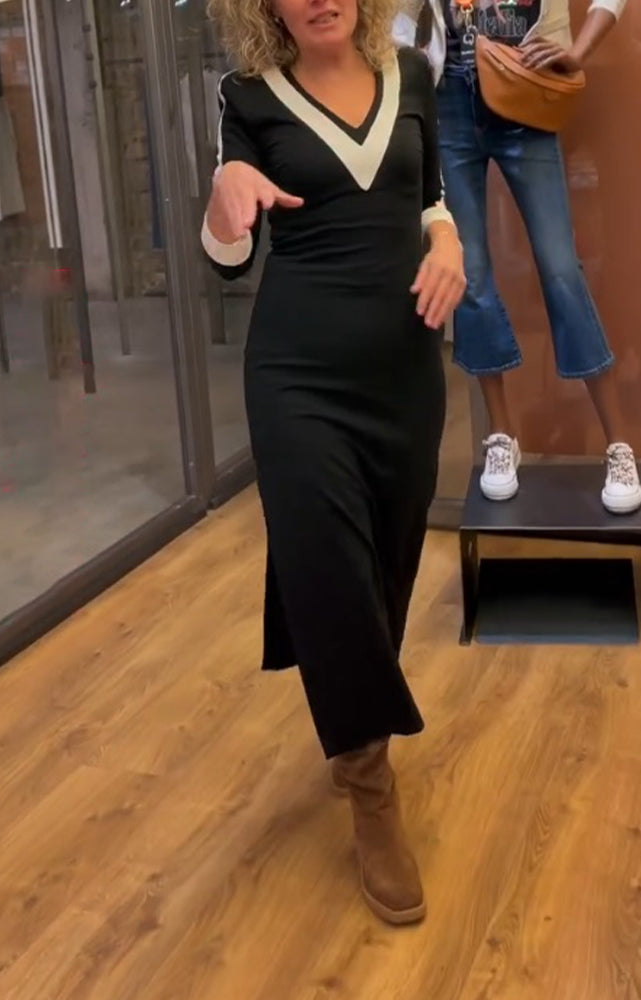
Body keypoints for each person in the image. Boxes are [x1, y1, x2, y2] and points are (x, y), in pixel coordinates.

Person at [203, 0, 465, 925]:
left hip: (404, 371)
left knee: (387, 565)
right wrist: (223, 203)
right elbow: (227, 252)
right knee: (324, 559)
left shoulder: (414, 76)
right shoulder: (246, 97)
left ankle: (353, 721)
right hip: (297, 375)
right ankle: (369, 783)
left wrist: (450, 244)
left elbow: (431, 198)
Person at [395, 0, 641, 514]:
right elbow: (397, 20)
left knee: (561, 269)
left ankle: (619, 444)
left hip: (526, 87)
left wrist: (579, 51)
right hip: (450, 99)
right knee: (471, 273)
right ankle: (502, 434)